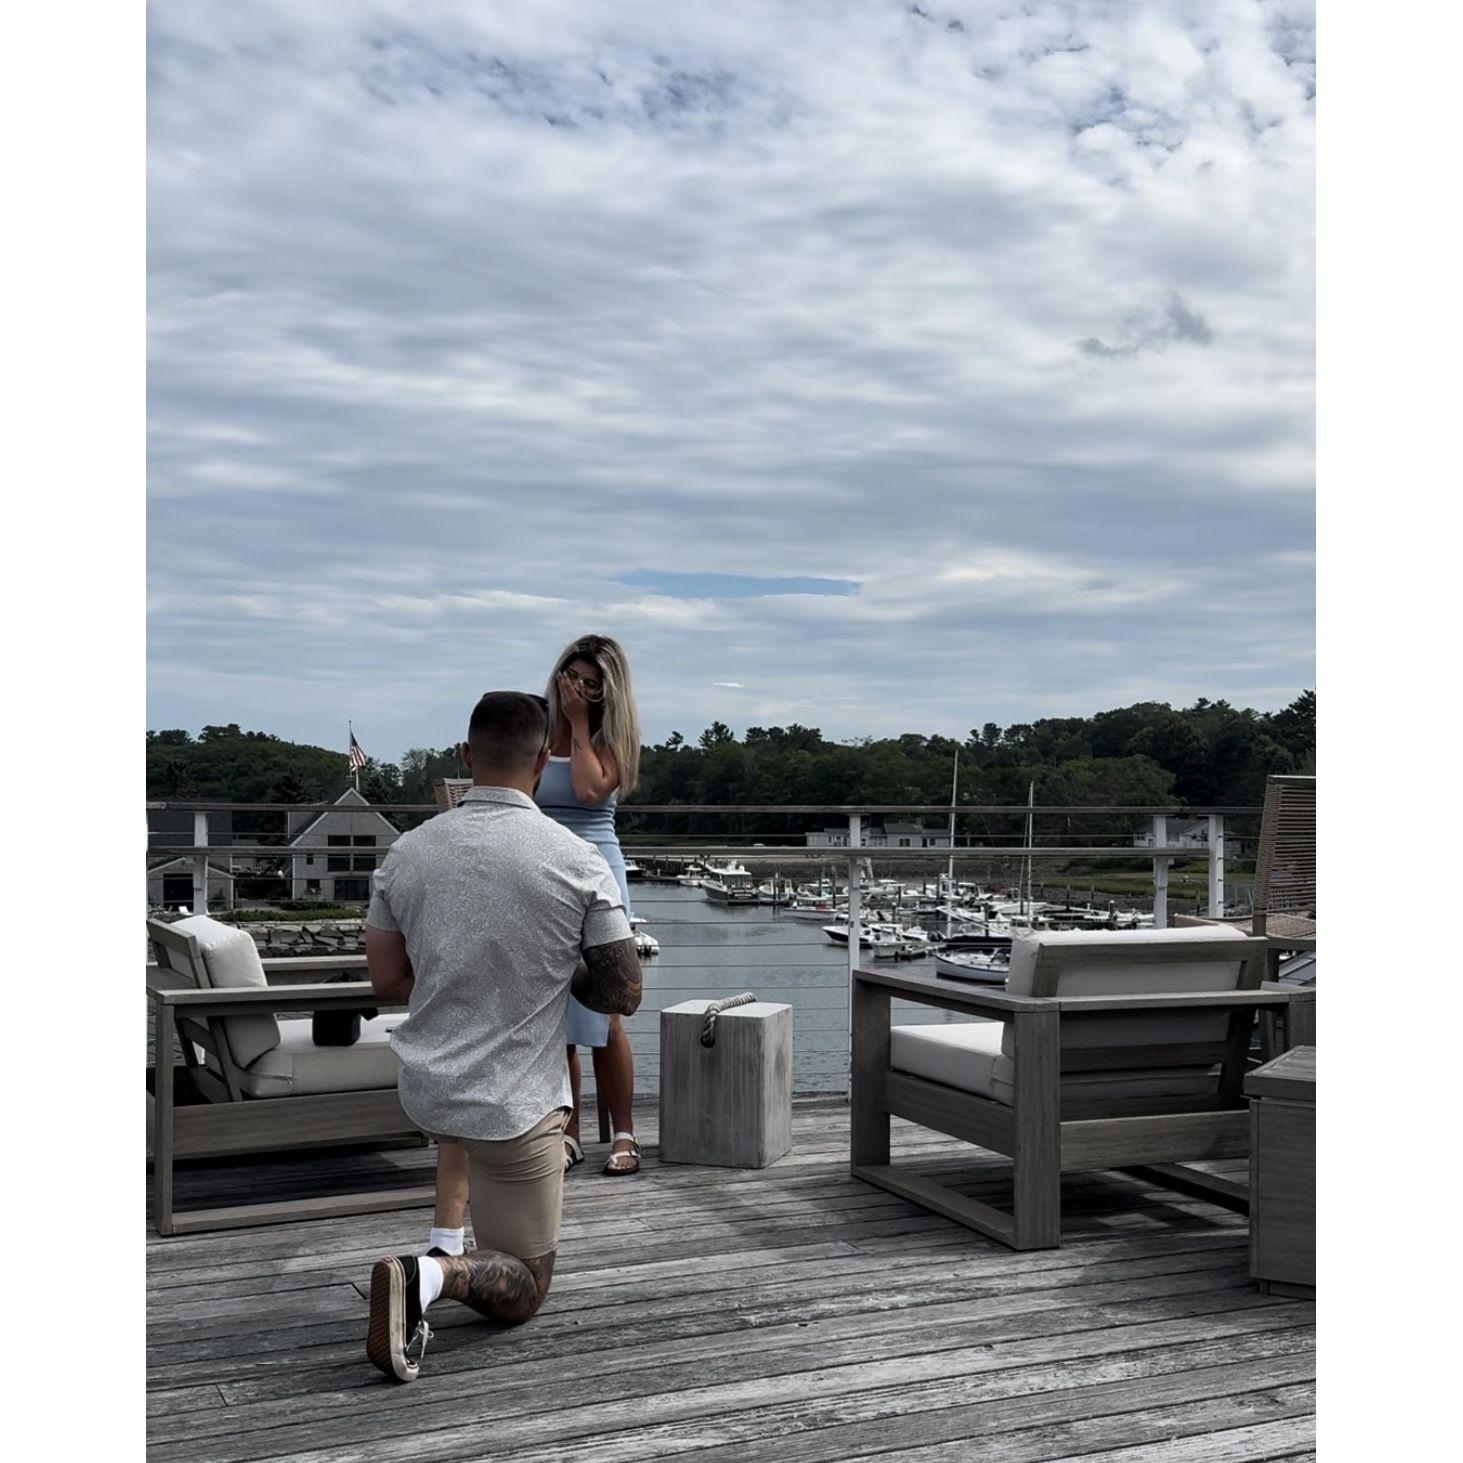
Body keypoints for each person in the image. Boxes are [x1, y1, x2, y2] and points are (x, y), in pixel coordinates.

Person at [362, 690, 642, 1383]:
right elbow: (621, 994)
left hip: (427, 1090)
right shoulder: (576, 859)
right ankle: (425, 1276)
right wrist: (563, 967)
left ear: (465, 756)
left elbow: (387, 979)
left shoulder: (407, 851)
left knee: (477, 1147)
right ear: (544, 760)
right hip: (512, 1106)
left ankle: (446, 1241)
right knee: (523, 1284)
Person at [427, 636, 642, 1260]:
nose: (579, 688)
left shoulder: (609, 740)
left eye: (591, 682)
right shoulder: (534, 733)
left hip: (594, 863)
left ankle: (624, 1132)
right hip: (537, 866)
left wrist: (577, 724)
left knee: (607, 1009)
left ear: (609, 690)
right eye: (572, 677)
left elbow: (589, 792)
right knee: (556, 1012)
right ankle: (567, 1131)